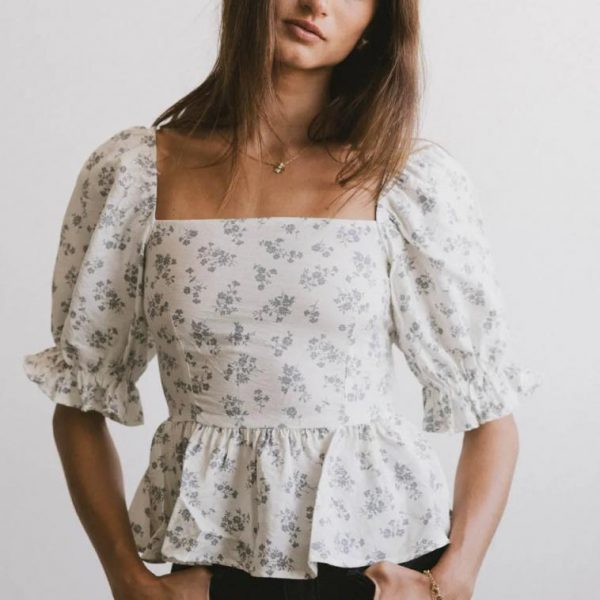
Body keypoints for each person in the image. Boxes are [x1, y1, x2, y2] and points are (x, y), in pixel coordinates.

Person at [22, 1, 542, 599]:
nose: (317, 4)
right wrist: (128, 579)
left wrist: (451, 580)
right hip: (209, 560)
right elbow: (80, 397)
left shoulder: (406, 180)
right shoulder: (136, 173)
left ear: (375, 24)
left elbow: (488, 405)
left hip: (378, 561)